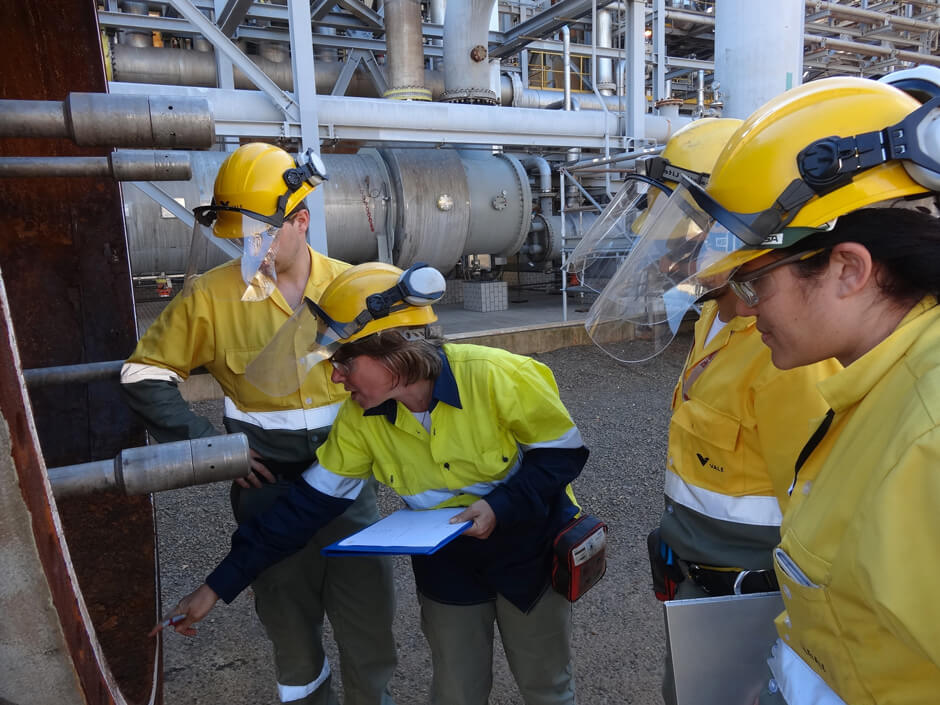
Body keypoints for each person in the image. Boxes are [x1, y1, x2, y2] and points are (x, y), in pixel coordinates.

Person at [153, 261, 590, 705]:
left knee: (546, 688)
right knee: (456, 692)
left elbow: (562, 456)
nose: (335, 377)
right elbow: (303, 508)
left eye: (343, 361)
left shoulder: (498, 374)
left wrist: (500, 506)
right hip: (448, 563)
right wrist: (216, 587)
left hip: (529, 551)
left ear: (392, 352)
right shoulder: (360, 420)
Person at [633, 76, 940, 704]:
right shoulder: (880, 384)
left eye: (752, 282)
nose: (741, 307)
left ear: (848, 270)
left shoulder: (927, 433)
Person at [121, 143, 397, 705]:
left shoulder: (353, 290)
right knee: (291, 636)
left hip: (348, 486)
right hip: (264, 489)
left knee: (367, 628)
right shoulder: (213, 296)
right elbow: (141, 374)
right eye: (240, 234)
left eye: (263, 232)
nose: (252, 246)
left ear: (301, 220)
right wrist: (211, 449)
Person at [579, 119, 841, 705]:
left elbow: (822, 513)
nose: (670, 263)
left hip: (754, 594)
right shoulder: (712, 315)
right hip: (697, 570)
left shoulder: (788, 352)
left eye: (681, 243)